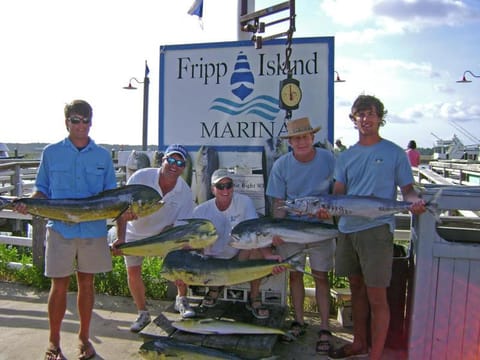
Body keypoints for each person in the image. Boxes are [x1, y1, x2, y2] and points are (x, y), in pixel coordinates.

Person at [14, 100, 118, 360]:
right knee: (58, 285)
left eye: (85, 120)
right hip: (60, 229)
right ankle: (53, 343)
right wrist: (29, 203)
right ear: (66, 122)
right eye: (75, 120)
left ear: (91, 123)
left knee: (87, 283)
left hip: (92, 230)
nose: (81, 125)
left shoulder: (103, 156)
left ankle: (84, 339)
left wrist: (125, 213)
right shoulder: (51, 153)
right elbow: (42, 190)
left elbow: (113, 197)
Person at [325, 95, 426, 360]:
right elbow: (338, 192)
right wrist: (327, 207)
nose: (365, 119)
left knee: (377, 295)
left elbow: (407, 190)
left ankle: (376, 355)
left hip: (377, 230)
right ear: (353, 119)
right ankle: (359, 343)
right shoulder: (345, 156)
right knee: (355, 287)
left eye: (370, 114)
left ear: (381, 118)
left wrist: (416, 203)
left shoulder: (394, 153)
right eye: (360, 114)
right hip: (348, 229)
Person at [266, 117, 336, 354]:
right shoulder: (281, 166)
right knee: (294, 276)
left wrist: (331, 212)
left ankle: (325, 327)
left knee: (321, 277)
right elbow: (278, 203)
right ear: (290, 142)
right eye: (296, 138)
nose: (301, 141)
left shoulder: (328, 159)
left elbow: (338, 191)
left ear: (313, 138)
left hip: (321, 228)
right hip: (290, 230)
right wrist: (275, 230)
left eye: (305, 137)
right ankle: (299, 320)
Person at [111, 144, 196, 332]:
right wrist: (120, 238)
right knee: (133, 272)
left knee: (181, 259)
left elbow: (182, 224)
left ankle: (181, 299)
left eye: (180, 162)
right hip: (134, 233)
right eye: (171, 160)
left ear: (184, 167)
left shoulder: (186, 192)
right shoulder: (141, 177)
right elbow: (121, 209)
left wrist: (173, 237)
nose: (174, 165)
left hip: (163, 235)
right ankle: (142, 313)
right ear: (162, 160)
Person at [191, 168, 282, 318]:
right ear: (213, 190)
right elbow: (193, 242)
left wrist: (268, 255)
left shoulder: (244, 202)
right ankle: (215, 288)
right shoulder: (200, 211)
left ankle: (254, 297)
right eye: (220, 186)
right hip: (213, 259)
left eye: (229, 185)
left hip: (239, 255)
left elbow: (255, 233)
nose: (225, 190)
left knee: (255, 249)